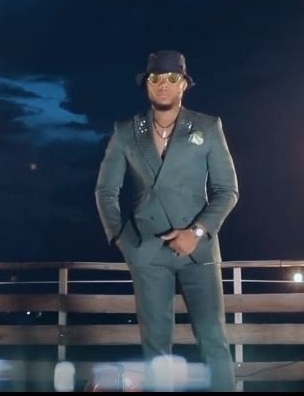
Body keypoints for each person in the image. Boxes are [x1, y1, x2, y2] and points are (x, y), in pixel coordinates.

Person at [95, 49, 240, 391]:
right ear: (146, 84)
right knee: (156, 348)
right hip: (147, 252)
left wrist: (197, 232)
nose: (163, 84)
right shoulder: (126, 130)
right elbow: (105, 191)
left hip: (198, 251)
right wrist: (123, 241)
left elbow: (227, 190)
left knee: (213, 342)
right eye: (155, 78)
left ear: (184, 84)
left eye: (172, 78)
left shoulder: (207, 126)